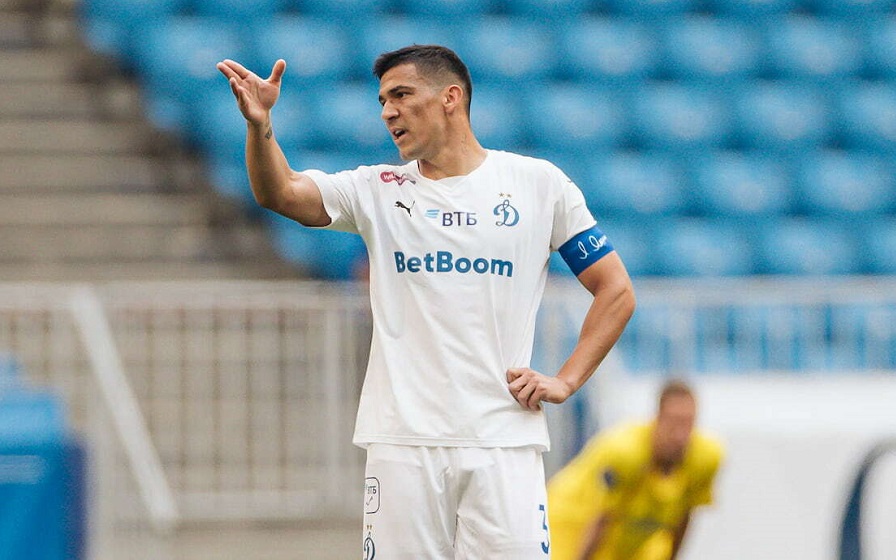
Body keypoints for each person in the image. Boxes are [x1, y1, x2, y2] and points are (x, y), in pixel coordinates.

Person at [216, 44, 636, 559]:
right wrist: (260, 125)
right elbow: (280, 192)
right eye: (382, 101)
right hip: (403, 442)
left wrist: (566, 379)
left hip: (504, 440)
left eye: (401, 95)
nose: (387, 112)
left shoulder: (538, 184)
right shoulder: (377, 189)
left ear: (450, 98)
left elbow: (615, 289)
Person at [546, 379, 724, 560]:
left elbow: (684, 516)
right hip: (570, 524)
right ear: (657, 419)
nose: (679, 435)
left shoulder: (705, 458)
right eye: (673, 423)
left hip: (626, 535)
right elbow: (602, 520)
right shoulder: (627, 453)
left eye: (687, 424)